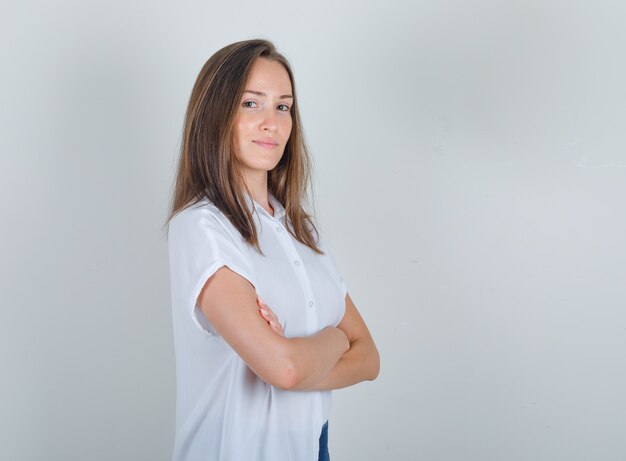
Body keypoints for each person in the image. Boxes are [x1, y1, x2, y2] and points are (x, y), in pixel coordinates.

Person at [167, 39, 379, 461]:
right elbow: (285, 368)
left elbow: (370, 358)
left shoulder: (300, 231)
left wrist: (302, 360)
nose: (272, 122)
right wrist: (336, 338)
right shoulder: (202, 227)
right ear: (215, 115)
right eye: (251, 104)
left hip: (312, 445)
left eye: (283, 107)